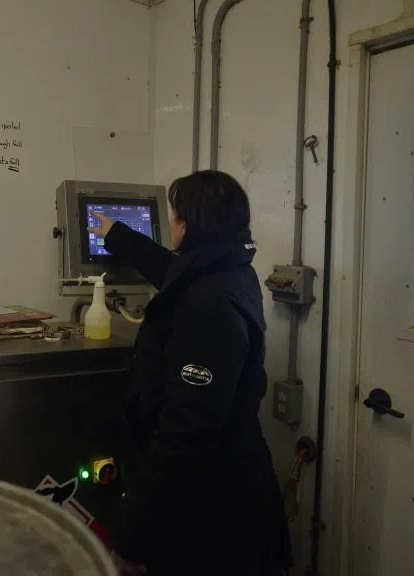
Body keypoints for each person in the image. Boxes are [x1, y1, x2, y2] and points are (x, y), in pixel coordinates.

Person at [89, 170, 290, 576]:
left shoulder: (209, 305)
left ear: (190, 225)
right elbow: (172, 270)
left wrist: (136, 533)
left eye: (175, 216)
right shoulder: (231, 272)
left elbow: (186, 432)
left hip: (214, 516)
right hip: (223, 498)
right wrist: (117, 235)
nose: (172, 225)